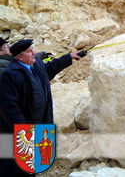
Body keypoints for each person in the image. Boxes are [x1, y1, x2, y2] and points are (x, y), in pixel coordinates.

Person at [0, 39, 81, 177]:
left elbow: (50, 68)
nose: (33, 53)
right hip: (21, 130)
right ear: (19, 57)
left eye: (32, 50)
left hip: (40, 123)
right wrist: (22, 130)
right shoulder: (10, 74)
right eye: (29, 51)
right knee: (12, 165)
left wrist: (68, 57)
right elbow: (9, 106)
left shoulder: (36, 65)